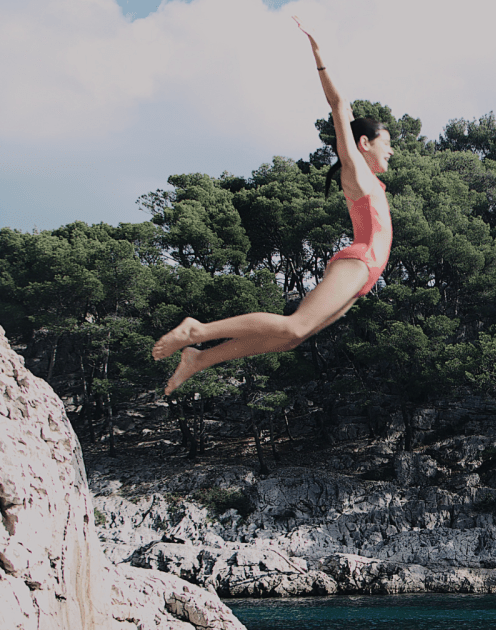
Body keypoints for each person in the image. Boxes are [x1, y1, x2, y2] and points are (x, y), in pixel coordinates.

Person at [153, 17, 393, 395]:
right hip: (360, 260)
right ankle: (196, 330)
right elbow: (339, 104)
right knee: (294, 325)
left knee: (290, 339)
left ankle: (199, 357)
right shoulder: (356, 169)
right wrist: (319, 53)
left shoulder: (371, 180)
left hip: (367, 274)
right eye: (386, 142)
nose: (391, 150)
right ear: (364, 143)